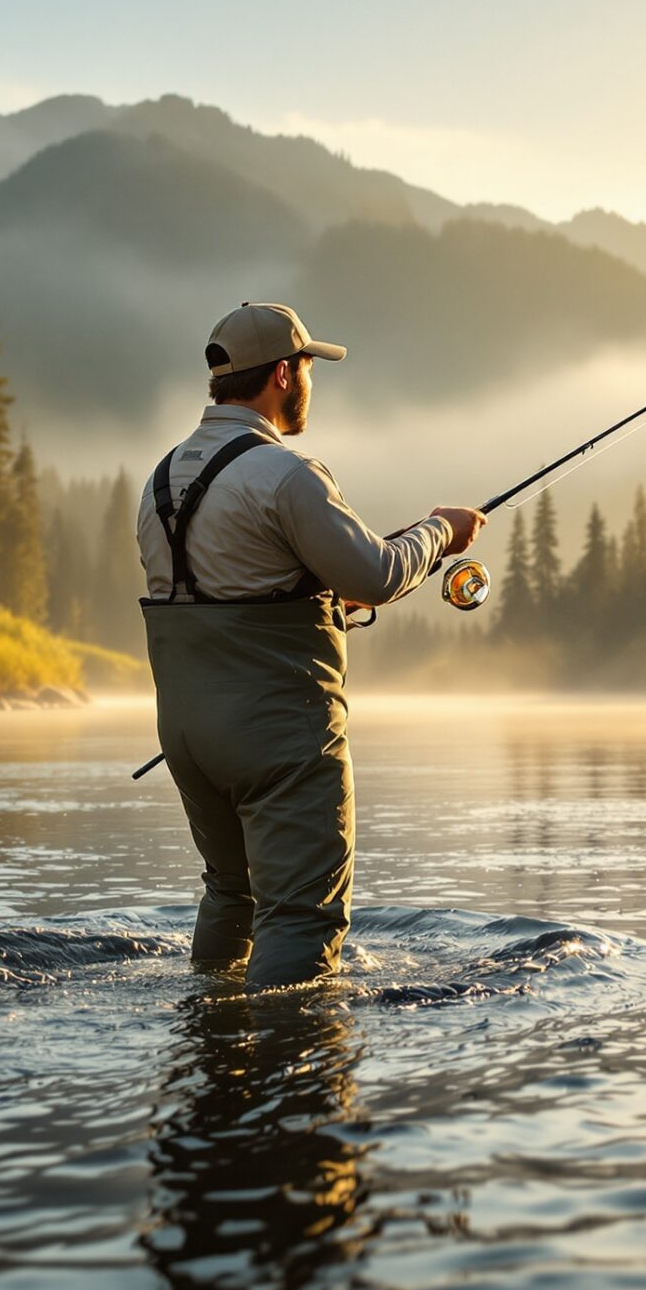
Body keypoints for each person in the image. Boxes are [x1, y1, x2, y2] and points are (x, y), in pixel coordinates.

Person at [137, 301, 485, 987]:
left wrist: (323, 601)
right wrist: (441, 530)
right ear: (286, 375)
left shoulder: (161, 481)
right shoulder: (287, 474)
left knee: (232, 896)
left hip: (187, 735)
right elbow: (382, 573)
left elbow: (227, 590)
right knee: (300, 916)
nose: (312, 382)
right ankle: (291, 1079)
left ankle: (212, 1040)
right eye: (309, 367)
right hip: (279, 734)